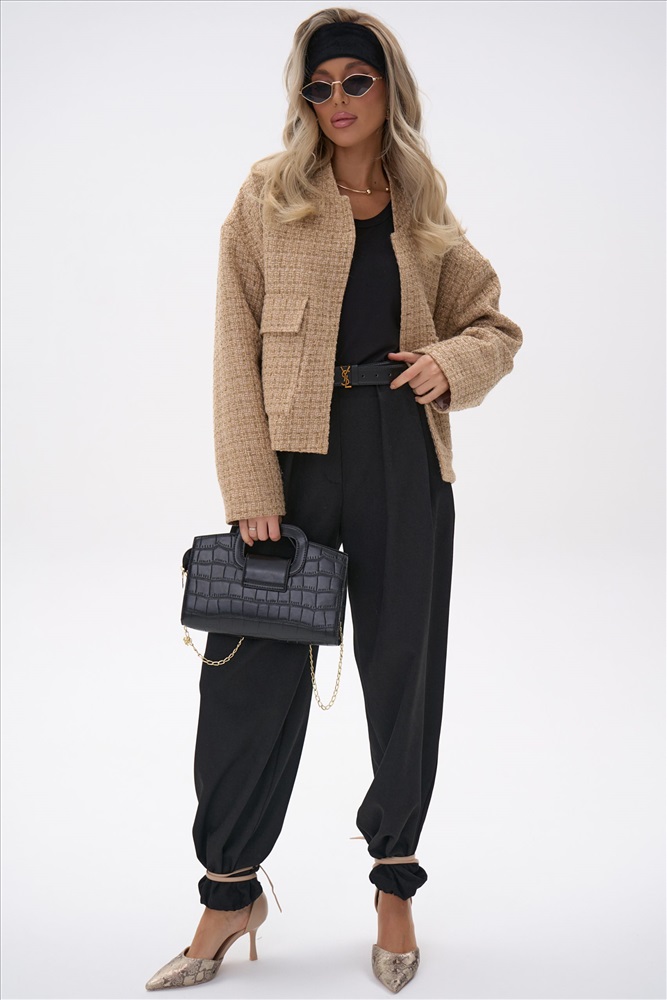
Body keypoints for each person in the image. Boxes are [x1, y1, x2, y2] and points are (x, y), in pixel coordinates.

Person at [145, 7, 523, 995]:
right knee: (247, 678)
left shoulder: (424, 211)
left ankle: (394, 882)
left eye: (355, 80)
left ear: (388, 87)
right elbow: (233, 345)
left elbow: (493, 327)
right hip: (294, 462)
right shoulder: (267, 196)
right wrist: (250, 486)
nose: (337, 100)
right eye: (319, 86)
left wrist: (447, 364)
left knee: (404, 674)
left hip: (401, 452)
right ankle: (230, 891)